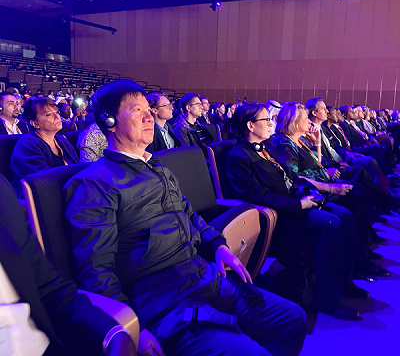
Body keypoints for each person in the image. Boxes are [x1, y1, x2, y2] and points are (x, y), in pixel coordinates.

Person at [64, 79, 308, 356]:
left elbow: (189, 214)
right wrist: (129, 327)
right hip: (159, 299)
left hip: (203, 275)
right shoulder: (94, 184)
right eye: (136, 109)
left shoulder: (158, 168)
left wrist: (218, 245)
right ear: (109, 121)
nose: (149, 116)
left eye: (148, 109)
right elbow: (95, 270)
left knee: (293, 319)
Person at [225, 103, 367, 320]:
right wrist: (299, 204)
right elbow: (257, 196)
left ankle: (344, 282)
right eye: (266, 120)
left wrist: (310, 191)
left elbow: (291, 176)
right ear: (251, 126)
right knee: (332, 224)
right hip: (279, 213)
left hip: (295, 200)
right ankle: (327, 300)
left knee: (346, 216)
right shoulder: (238, 157)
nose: (271, 123)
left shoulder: (266, 147)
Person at [0, 173, 135, 356]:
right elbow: (96, 267)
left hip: (47, 346)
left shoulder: (1, 192)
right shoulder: (93, 183)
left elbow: (49, 289)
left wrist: (114, 333)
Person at [273, 102, 389, 279]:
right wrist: (330, 186)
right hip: (313, 191)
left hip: (323, 182)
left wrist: (318, 143)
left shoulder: (300, 140)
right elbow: (294, 176)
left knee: (360, 192)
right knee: (357, 195)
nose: (309, 121)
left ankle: (360, 254)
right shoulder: (284, 143)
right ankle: (358, 259)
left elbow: (318, 164)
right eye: (305, 118)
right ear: (294, 121)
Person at [10, 97, 79, 198]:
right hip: (40, 199)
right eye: (49, 114)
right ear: (35, 123)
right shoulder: (27, 145)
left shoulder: (62, 140)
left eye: (57, 112)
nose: (57, 117)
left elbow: (78, 167)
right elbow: (44, 181)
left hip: (67, 193)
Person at [173, 93, 213, 158]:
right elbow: (187, 154)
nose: (201, 107)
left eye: (201, 104)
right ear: (188, 107)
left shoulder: (199, 126)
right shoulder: (180, 128)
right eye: (198, 104)